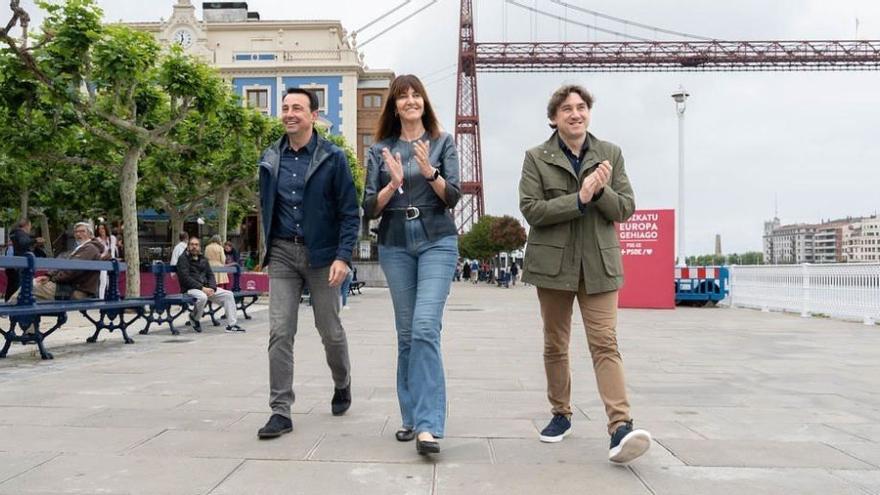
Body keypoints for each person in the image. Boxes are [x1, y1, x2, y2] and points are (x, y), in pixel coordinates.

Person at [519, 84, 651, 464]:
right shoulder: (535, 157)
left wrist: (600, 191)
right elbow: (532, 209)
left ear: (588, 113)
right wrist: (579, 198)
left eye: (581, 107)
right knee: (555, 344)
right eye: (566, 109)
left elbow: (625, 208)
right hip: (553, 266)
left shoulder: (610, 154)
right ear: (554, 117)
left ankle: (620, 426)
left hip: (599, 265)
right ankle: (560, 414)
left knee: (605, 343)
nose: (575, 114)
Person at [363, 74, 461, 456]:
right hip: (395, 243)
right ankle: (411, 415)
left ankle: (428, 426)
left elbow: (452, 196)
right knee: (406, 335)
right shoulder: (380, 150)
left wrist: (429, 170)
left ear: (424, 101)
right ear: (394, 105)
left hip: (437, 238)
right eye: (402, 96)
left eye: (415, 94)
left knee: (424, 328)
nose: (410, 100)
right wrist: (394, 183)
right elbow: (368, 206)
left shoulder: (442, 142)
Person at [256, 87, 359, 439]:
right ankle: (280, 410)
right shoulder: (270, 158)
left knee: (329, 330)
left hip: (323, 256)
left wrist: (343, 256)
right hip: (283, 253)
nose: (289, 113)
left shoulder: (333, 158)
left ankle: (342, 381)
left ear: (313, 115)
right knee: (280, 331)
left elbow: (349, 212)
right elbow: (265, 207)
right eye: (285, 108)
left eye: (297, 108)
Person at [7, 222, 103, 306]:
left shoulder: (89, 248)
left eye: (82, 231)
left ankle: (8, 310)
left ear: (90, 235)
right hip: (69, 287)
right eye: (76, 232)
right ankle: (23, 321)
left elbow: (72, 271)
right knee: (29, 295)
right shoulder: (80, 248)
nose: (78, 234)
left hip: (76, 291)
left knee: (29, 287)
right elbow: (64, 266)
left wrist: (52, 279)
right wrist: (48, 276)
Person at [176, 235, 244, 333]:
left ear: (199, 247)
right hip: (190, 288)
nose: (194, 247)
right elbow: (185, 278)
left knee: (228, 294)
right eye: (191, 244)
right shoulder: (183, 259)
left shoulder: (203, 258)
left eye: (196, 245)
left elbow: (210, 274)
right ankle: (194, 318)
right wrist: (202, 288)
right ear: (188, 246)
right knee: (202, 297)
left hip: (206, 288)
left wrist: (212, 288)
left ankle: (232, 325)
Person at [4, 218, 36, 302]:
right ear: (26, 225)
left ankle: (8, 304)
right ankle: (15, 305)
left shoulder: (13, 234)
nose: (30, 229)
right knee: (18, 287)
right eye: (30, 227)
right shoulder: (21, 234)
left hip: (10, 264)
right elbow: (24, 243)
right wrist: (35, 241)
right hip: (18, 264)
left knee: (11, 286)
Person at [95, 223, 118, 299]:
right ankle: (101, 298)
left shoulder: (112, 238)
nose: (101, 230)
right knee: (103, 281)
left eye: (103, 228)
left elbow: (113, 251)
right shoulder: (97, 240)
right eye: (99, 229)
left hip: (111, 261)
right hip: (103, 262)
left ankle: (110, 297)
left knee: (111, 281)